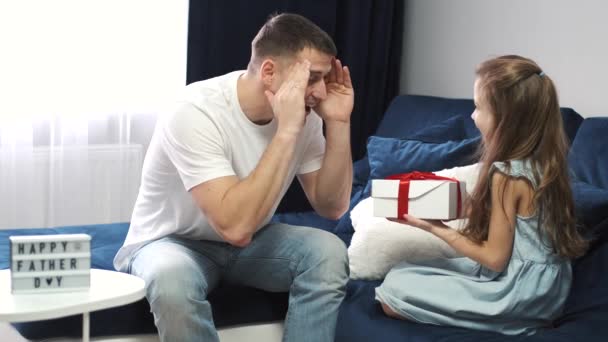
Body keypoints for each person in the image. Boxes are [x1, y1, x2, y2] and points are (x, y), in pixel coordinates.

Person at [113, 13, 353, 342]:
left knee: (329, 251)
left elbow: (333, 206)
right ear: (269, 71)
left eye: (325, 79)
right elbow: (235, 227)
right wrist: (286, 132)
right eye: (312, 78)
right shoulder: (194, 111)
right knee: (171, 279)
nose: (322, 93)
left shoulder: (306, 117)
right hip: (171, 242)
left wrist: (339, 123)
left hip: (252, 243)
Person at [375, 55, 589, 335]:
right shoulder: (546, 164)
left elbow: (494, 258)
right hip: (548, 288)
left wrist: (433, 227)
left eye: (478, 107)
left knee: (392, 293)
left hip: (518, 291)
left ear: (506, 119)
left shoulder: (508, 175)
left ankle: (514, 319)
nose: (473, 116)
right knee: (404, 270)